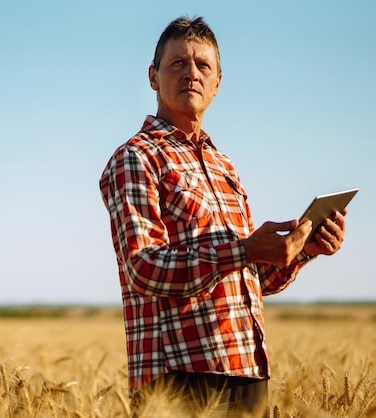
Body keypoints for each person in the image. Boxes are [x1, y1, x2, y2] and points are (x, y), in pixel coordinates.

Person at [99, 16, 347, 417]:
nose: (191, 73)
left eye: (203, 66)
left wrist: (302, 251)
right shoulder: (136, 157)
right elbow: (142, 267)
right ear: (152, 77)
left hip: (246, 369)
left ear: (217, 83)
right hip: (179, 378)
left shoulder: (223, 166)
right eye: (177, 63)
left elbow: (246, 279)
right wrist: (245, 248)